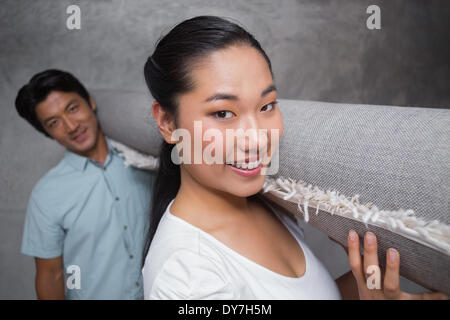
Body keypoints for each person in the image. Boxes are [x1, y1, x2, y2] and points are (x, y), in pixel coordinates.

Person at [141, 16, 448, 300]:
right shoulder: (187, 277)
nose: (258, 138)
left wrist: (364, 286)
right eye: (223, 113)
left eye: (266, 106)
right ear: (167, 122)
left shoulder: (269, 202)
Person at [16, 69, 156, 299]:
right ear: (48, 133)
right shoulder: (46, 194)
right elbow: (50, 276)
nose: (71, 126)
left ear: (90, 101)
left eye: (72, 108)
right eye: (54, 122)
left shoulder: (145, 160)